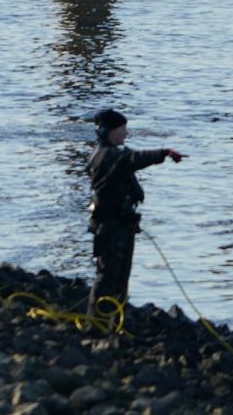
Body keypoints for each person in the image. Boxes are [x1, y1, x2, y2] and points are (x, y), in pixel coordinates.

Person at [86, 108, 185, 313]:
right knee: (108, 276)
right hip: (110, 227)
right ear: (108, 132)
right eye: (122, 129)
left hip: (123, 225)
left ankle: (115, 320)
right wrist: (163, 153)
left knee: (121, 276)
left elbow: (130, 157)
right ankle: (97, 321)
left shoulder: (113, 154)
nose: (126, 133)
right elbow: (134, 159)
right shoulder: (107, 156)